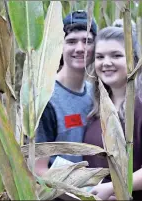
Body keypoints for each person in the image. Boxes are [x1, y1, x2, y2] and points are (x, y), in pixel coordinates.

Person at [83, 25, 142, 200]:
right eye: (100, 57)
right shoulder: (97, 108)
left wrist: (112, 188)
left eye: (116, 55)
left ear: (133, 58)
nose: (106, 62)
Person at [35, 10, 97, 176]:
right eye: (71, 41)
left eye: (87, 41)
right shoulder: (47, 98)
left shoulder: (96, 94)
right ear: (59, 46)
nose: (79, 48)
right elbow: (39, 169)